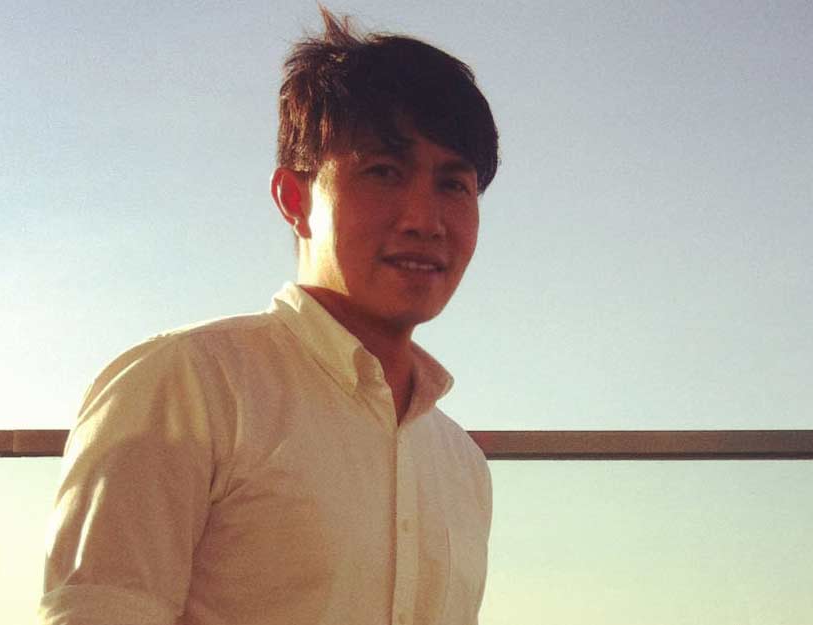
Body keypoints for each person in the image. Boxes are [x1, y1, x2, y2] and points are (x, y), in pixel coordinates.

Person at [39, 7, 499, 625]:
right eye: (383, 172)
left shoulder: (461, 464)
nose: (424, 219)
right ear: (294, 197)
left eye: (453, 184)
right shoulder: (187, 386)